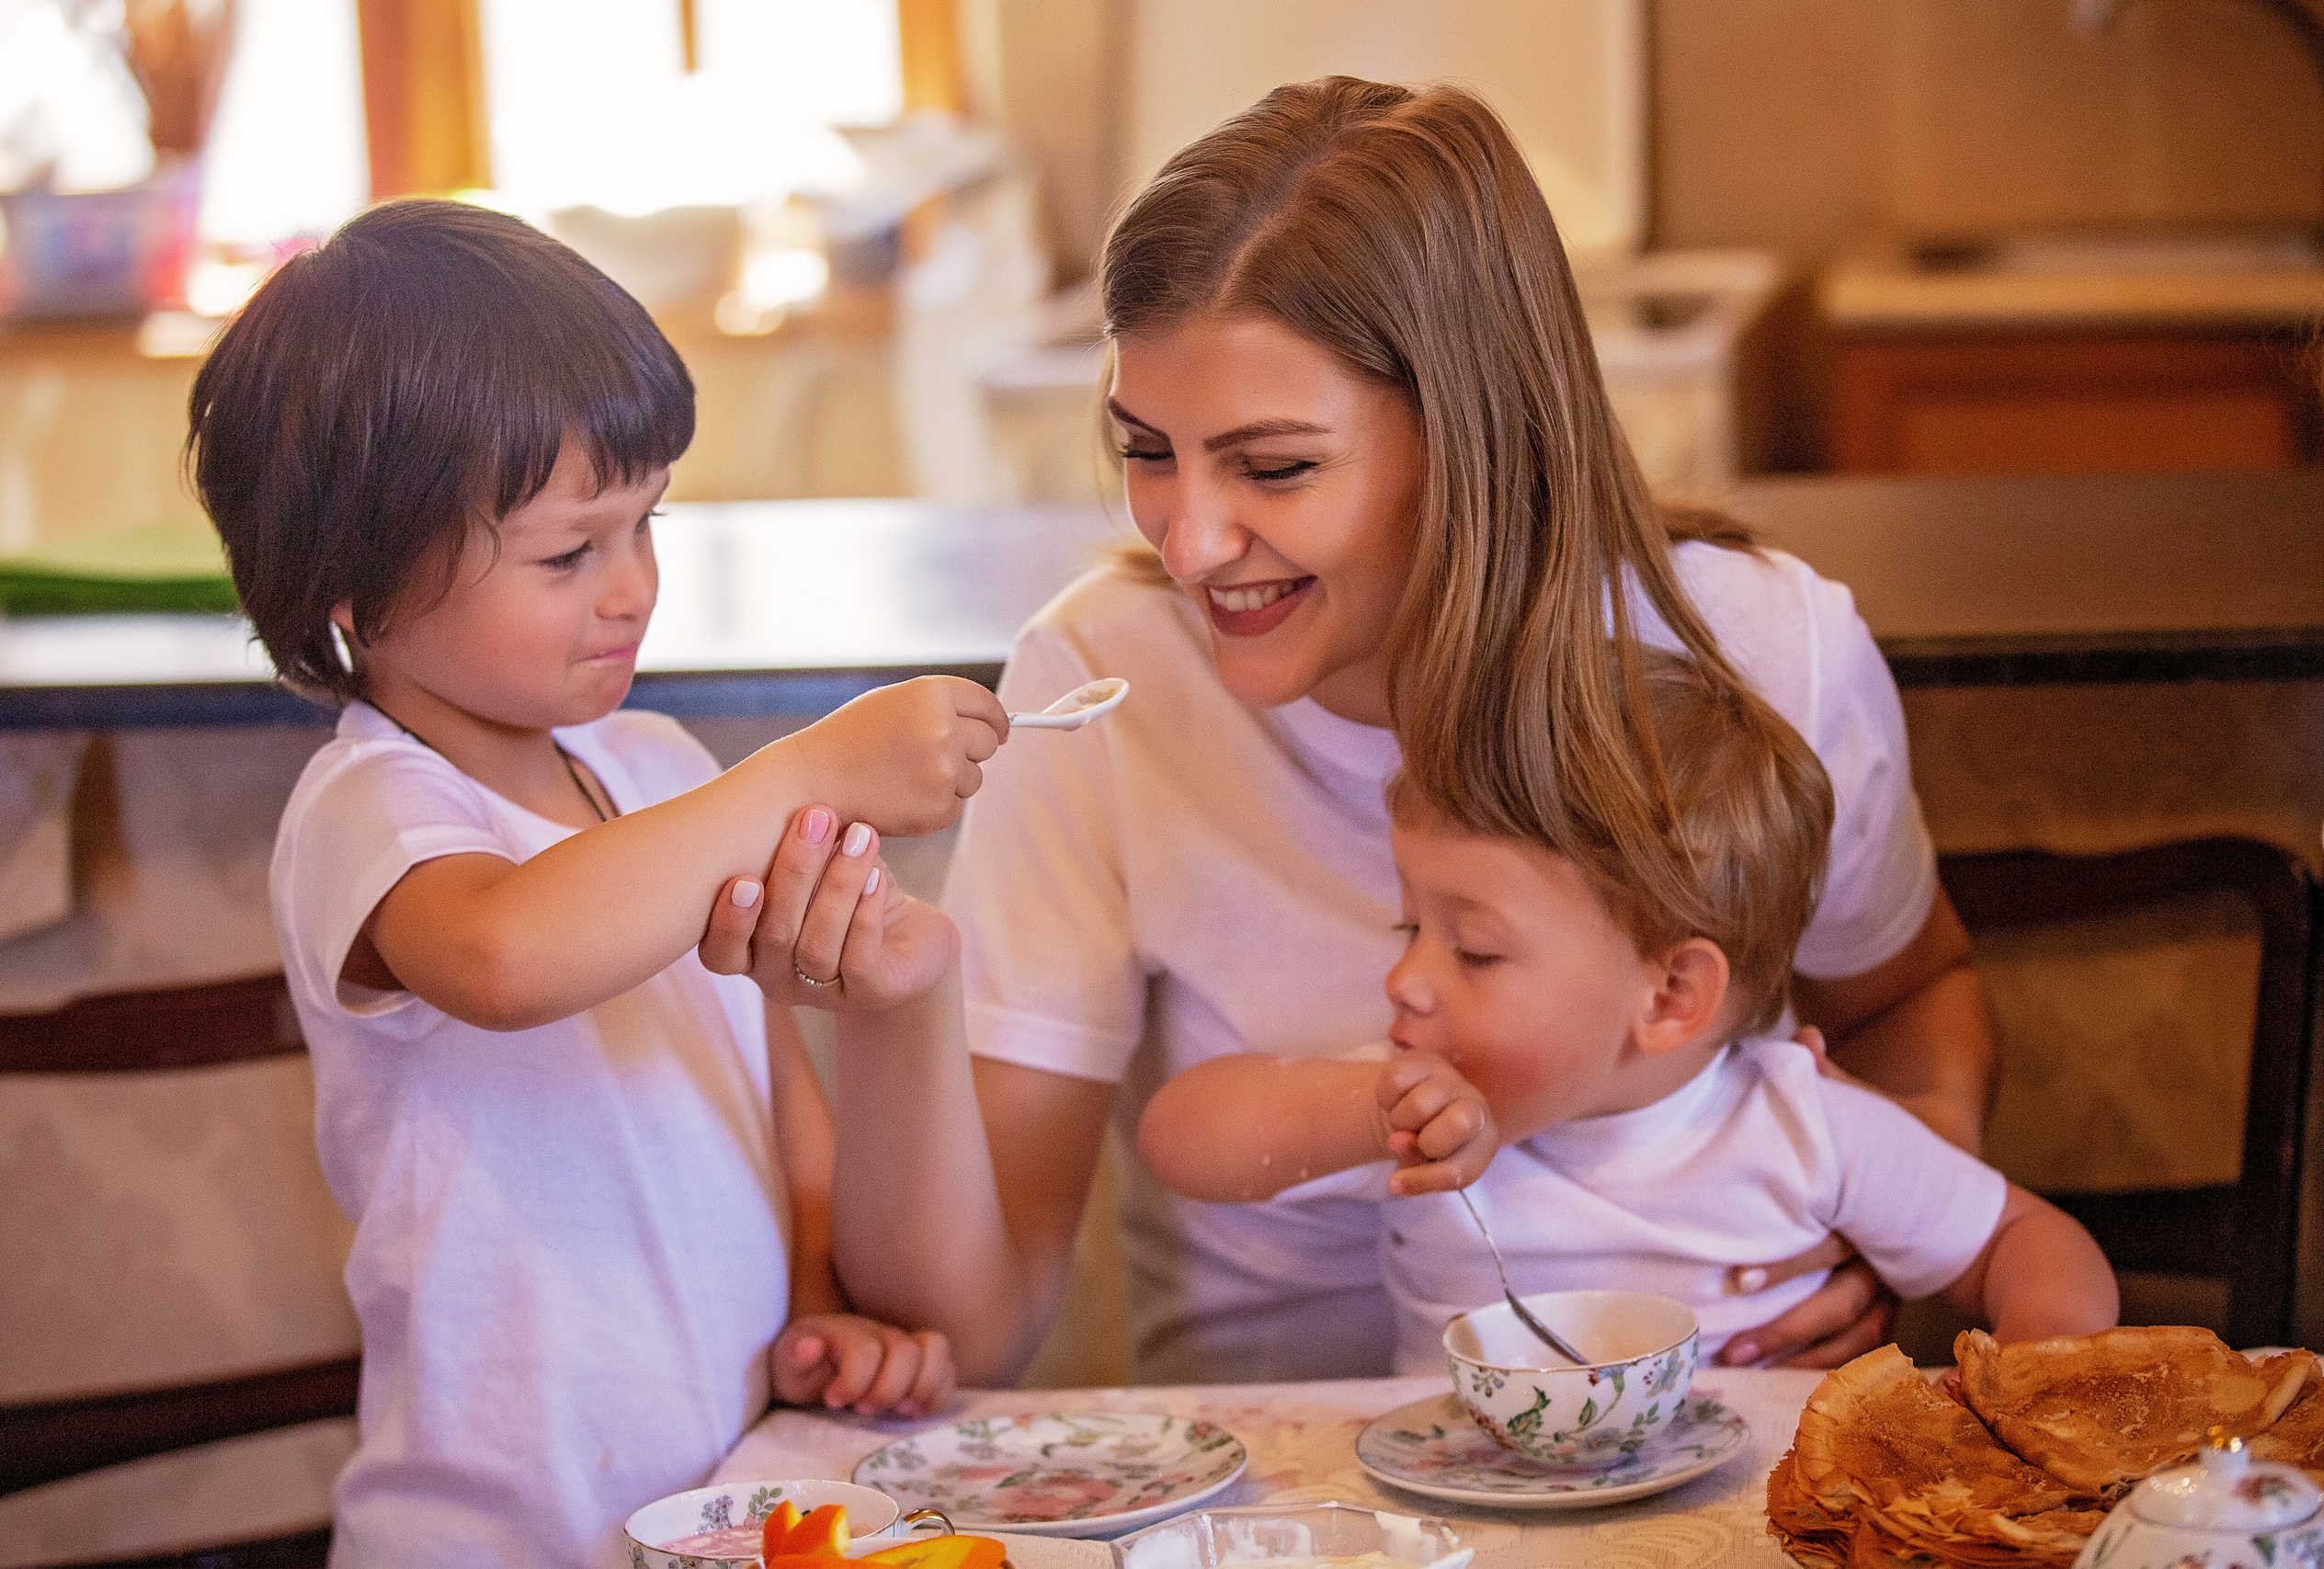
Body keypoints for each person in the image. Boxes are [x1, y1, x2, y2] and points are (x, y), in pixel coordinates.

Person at [713, 77, 2000, 1387]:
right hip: (1282, 1478)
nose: (1192, 540)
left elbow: (1907, 997)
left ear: (1472, 435)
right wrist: (892, 1011)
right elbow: (975, 1327)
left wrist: (1904, 1213)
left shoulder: (1754, 645)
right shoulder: (1103, 676)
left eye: (1273, 466)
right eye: (1146, 448)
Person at [188, 199, 1005, 1568]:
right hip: (490, 1535)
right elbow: (510, 956)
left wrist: (819, 1305)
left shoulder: (659, 767)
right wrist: (802, 771)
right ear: (350, 580)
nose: (632, 586)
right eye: (571, 551)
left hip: (721, 1509)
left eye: (647, 523)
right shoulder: (372, 804)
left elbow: (778, 1094)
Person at [1134, 650, 2118, 1369]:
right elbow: (1180, 1141)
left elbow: (2023, 1243)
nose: (1408, 981)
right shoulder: (1418, 1115)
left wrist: (2040, 1380)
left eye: (1472, 948)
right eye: (1409, 931)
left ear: (1671, 996)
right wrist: (1364, 1112)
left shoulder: (1800, 1123)